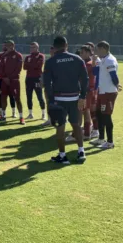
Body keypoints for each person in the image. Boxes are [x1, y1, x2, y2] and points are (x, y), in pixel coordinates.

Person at [43, 36, 88, 164]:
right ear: (66, 45)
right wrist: (83, 96)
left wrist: (51, 100)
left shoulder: (51, 61)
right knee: (76, 125)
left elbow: (47, 83)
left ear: (54, 47)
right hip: (75, 98)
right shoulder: (77, 58)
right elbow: (85, 79)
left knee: (60, 128)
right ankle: (81, 151)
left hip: (59, 99)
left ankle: (63, 156)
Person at [90, 41, 120, 149]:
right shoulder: (103, 59)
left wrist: (117, 85)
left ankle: (110, 142)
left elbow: (114, 75)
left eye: (97, 49)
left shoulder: (109, 60)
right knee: (99, 114)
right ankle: (101, 138)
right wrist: (93, 61)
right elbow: (95, 72)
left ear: (103, 49)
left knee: (106, 116)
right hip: (101, 91)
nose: (96, 52)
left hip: (108, 92)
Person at [0, 40, 25, 124]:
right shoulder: (3, 56)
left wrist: (10, 78)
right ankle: (3, 116)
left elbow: (18, 69)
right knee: (3, 98)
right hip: (5, 81)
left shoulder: (18, 55)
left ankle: (21, 117)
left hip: (14, 81)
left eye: (9, 45)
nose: (8, 47)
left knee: (17, 99)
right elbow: (0, 68)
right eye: (6, 45)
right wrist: (4, 77)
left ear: (13, 45)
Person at [24, 42, 46, 120]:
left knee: (39, 96)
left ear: (37, 48)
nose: (32, 49)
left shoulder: (41, 56)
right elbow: (24, 67)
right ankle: (30, 114)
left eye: (33, 47)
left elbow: (38, 66)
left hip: (37, 79)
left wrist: (30, 64)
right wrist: (32, 65)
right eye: (31, 47)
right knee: (28, 97)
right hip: (28, 79)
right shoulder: (27, 57)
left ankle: (43, 114)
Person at [0, 42, 17, 118]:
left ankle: (13, 112)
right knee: (1, 95)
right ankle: (1, 110)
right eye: (4, 45)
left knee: (12, 95)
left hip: (11, 79)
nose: (5, 47)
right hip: (2, 79)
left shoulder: (13, 56)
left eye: (6, 45)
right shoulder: (0, 56)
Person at [41, 46, 55, 127]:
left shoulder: (58, 61)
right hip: (48, 86)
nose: (51, 52)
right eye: (50, 51)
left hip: (57, 86)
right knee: (48, 102)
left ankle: (60, 118)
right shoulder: (48, 61)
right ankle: (49, 119)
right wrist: (42, 82)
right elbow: (45, 73)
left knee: (58, 103)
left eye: (52, 51)